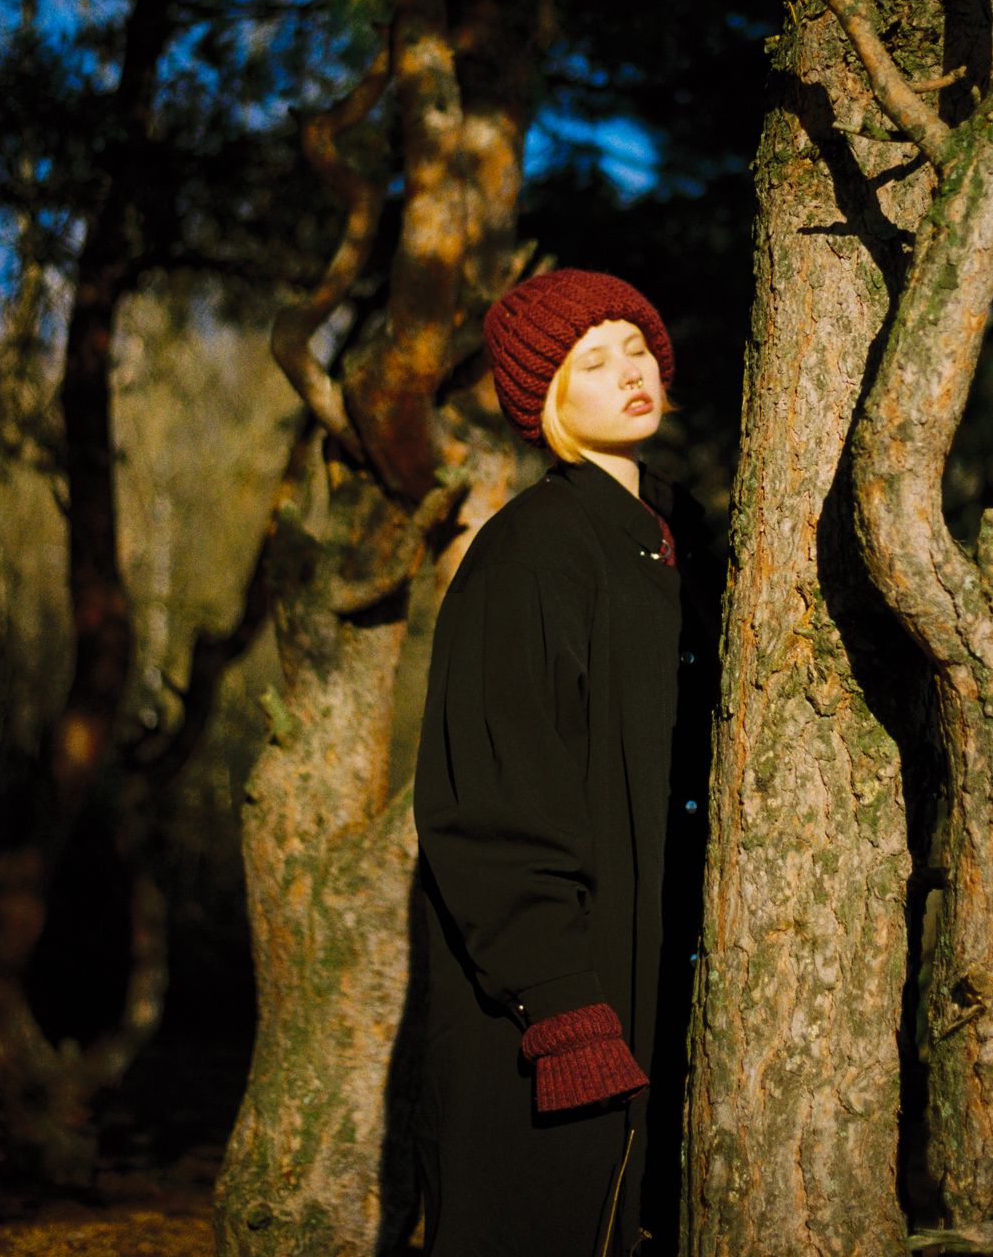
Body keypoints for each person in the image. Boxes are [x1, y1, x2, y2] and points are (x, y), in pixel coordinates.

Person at [413, 268, 716, 1257]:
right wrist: (560, 1004)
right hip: (551, 1018)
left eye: (637, 348)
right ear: (544, 400)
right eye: (592, 362)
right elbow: (488, 799)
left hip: (667, 985)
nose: (630, 373)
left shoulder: (683, 536)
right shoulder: (533, 550)